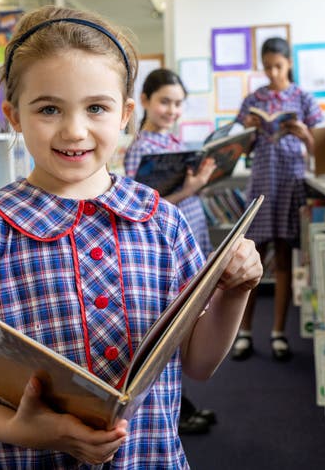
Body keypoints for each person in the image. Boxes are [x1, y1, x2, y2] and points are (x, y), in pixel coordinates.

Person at [0, 5, 262, 469]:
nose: (74, 130)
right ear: (14, 115)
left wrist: (235, 293)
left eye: (97, 108)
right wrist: (22, 429)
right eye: (48, 108)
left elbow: (199, 363)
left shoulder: (163, 224)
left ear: (125, 114)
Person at [123, 68, 217, 436]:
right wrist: (190, 189)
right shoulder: (142, 148)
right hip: (162, 248)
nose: (172, 110)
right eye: (165, 101)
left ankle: (179, 405)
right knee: (170, 330)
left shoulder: (173, 142)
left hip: (191, 233)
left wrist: (202, 182)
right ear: (144, 101)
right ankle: (173, 410)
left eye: (178, 103)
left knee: (190, 326)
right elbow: (145, 208)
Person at [230, 37, 323, 362]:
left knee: (284, 258)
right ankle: (243, 332)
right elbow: (238, 150)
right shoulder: (253, 99)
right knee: (250, 259)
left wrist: (306, 135)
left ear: (289, 64)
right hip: (260, 183)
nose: (272, 72)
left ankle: (278, 332)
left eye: (278, 66)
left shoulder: (304, 98)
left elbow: (320, 149)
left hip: (290, 181)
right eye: (267, 66)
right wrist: (248, 131)